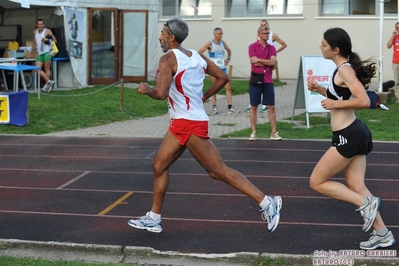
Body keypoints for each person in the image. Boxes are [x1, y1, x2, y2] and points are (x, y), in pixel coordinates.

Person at [127, 18, 282, 234]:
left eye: (162, 33)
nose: (160, 37)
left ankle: (267, 202)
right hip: (185, 121)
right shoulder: (196, 56)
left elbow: (161, 94)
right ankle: (154, 218)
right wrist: (203, 97)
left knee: (217, 171)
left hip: (188, 123)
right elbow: (222, 76)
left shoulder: (168, 59)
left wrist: (146, 89)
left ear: (171, 36)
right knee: (159, 164)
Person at [307, 27, 396, 250]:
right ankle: (383, 234)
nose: (321, 47)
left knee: (317, 182)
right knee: (356, 184)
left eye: (324, 44)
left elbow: (364, 100)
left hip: (349, 135)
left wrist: (334, 104)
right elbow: (341, 95)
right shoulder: (341, 68)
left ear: (335, 49)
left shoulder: (345, 69)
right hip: (354, 132)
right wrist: (321, 90)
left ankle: (365, 203)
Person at [247, 26, 282, 141]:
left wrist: (261, 61)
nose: (268, 35)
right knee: (254, 106)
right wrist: (268, 63)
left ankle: (274, 132)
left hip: (267, 80)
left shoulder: (271, 48)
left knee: (271, 106)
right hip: (255, 79)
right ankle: (253, 132)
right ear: (259, 34)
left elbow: (273, 62)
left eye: (268, 33)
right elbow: (254, 61)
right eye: (265, 33)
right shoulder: (252, 46)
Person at [245, 20, 287, 113]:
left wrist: (275, 53)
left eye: (264, 25)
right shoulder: (258, 38)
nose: (263, 26)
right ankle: (255, 103)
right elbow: (254, 60)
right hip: (261, 61)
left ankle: (265, 104)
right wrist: (260, 60)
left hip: (270, 57)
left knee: (267, 80)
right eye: (261, 25)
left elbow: (284, 45)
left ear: (268, 25)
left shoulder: (273, 35)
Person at [198, 27, 239, 115]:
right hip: (214, 69)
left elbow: (229, 50)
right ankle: (214, 106)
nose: (221, 35)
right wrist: (207, 62)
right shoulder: (210, 43)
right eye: (220, 34)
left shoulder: (223, 43)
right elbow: (200, 52)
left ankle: (230, 107)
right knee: (214, 87)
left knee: (228, 87)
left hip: (223, 68)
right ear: (215, 34)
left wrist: (228, 59)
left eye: (222, 34)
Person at [31, 18, 57, 92]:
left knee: (47, 68)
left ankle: (47, 86)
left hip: (47, 51)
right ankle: (49, 82)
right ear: (36, 25)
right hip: (40, 53)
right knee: (36, 69)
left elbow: (55, 41)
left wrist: (47, 40)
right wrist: (32, 53)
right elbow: (34, 43)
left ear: (44, 25)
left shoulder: (47, 31)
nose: (40, 26)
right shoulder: (35, 32)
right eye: (38, 24)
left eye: (41, 24)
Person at [386, 21, 399, 103]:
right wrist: (392, 35)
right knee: (397, 81)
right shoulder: (395, 37)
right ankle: (398, 98)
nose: (398, 29)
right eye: (397, 28)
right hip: (396, 62)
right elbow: (388, 46)